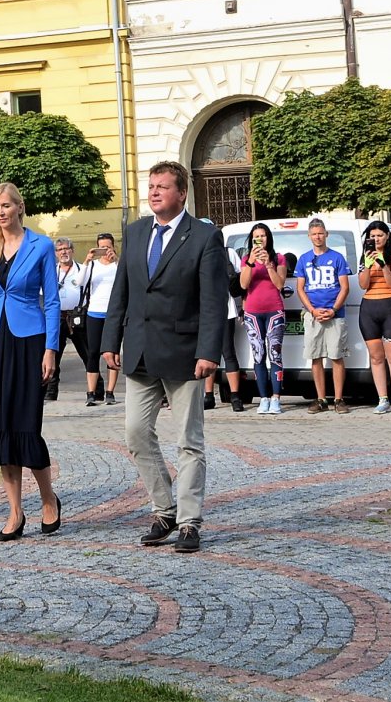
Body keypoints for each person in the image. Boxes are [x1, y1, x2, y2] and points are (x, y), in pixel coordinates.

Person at [100, 161, 225, 555]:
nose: (153, 192)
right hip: (139, 350)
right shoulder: (136, 232)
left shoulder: (204, 237)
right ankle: (164, 509)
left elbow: (212, 301)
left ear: (181, 193)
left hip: (187, 354)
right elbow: (121, 292)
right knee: (136, 433)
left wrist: (209, 351)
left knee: (189, 440)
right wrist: (109, 340)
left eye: (162, 187)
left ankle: (189, 522)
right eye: (150, 186)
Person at [0, 183, 63, 540]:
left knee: (24, 425)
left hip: (28, 341)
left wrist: (50, 349)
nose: (1, 212)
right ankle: (15, 512)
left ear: (20, 207)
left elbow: (51, 301)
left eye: (7, 205)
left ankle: (48, 500)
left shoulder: (41, 246)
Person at [297, 218, 352, 413]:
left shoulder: (337, 258)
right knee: (316, 356)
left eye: (320, 233)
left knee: (336, 356)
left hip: (335, 315)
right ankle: (321, 399)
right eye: (314, 234)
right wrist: (312, 310)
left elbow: (345, 287)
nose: (318, 237)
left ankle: (338, 399)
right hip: (313, 316)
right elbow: (300, 288)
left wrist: (334, 309)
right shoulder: (304, 259)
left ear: (326, 234)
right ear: (309, 236)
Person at [358, 220, 391, 415]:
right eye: (372, 236)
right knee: (376, 357)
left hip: (390, 307)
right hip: (369, 308)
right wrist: (369, 265)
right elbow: (363, 284)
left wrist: (382, 263)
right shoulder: (365, 257)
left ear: (387, 237)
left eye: (380, 235)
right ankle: (382, 399)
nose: (376, 239)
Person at [240, 223, 290, 415]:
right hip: (253, 311)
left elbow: (279, 284)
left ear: (268, 238)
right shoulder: (246, 259)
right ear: (251, 239)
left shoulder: (278, 258)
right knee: (258, 355)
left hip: (274, 310)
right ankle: (264, 398)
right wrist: (252, 262)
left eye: (263, 236)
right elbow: (244, 284)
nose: (260, 239)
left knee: (275, 354)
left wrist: (269, 264)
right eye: (256, 236)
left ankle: (276, 398)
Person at [49, 238, 91, 403]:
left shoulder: (83, 269)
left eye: (66, 249)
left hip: (78, 317)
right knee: (53, 356)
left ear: (72, 250)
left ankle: (96, 390)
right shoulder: (52, 271)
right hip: (57, 317)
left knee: (88, 354)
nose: (64, 252)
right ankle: (50, 392)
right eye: (60, 250)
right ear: (56, 254)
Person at [205, 251, 247, 413]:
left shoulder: (228, 253)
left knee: (228, 351)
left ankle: (235, 395)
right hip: (205, 310)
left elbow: (240, 280)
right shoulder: (198, 250)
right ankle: (208, 395)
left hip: (226, 309)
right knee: (208, 353)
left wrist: (244, 304)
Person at [82, 234, 121, 406]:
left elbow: (128, 280)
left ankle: (110, 392)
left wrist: (117, 261)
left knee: (112, 352)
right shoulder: (92, 266)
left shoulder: (118, 264)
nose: (105, 251)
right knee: (93, 353)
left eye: (108, 247)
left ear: (113, 247)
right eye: (102, 247)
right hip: (94, 312)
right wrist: (86, 261)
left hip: (113, 313)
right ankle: (91, 393)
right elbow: (78, 282)